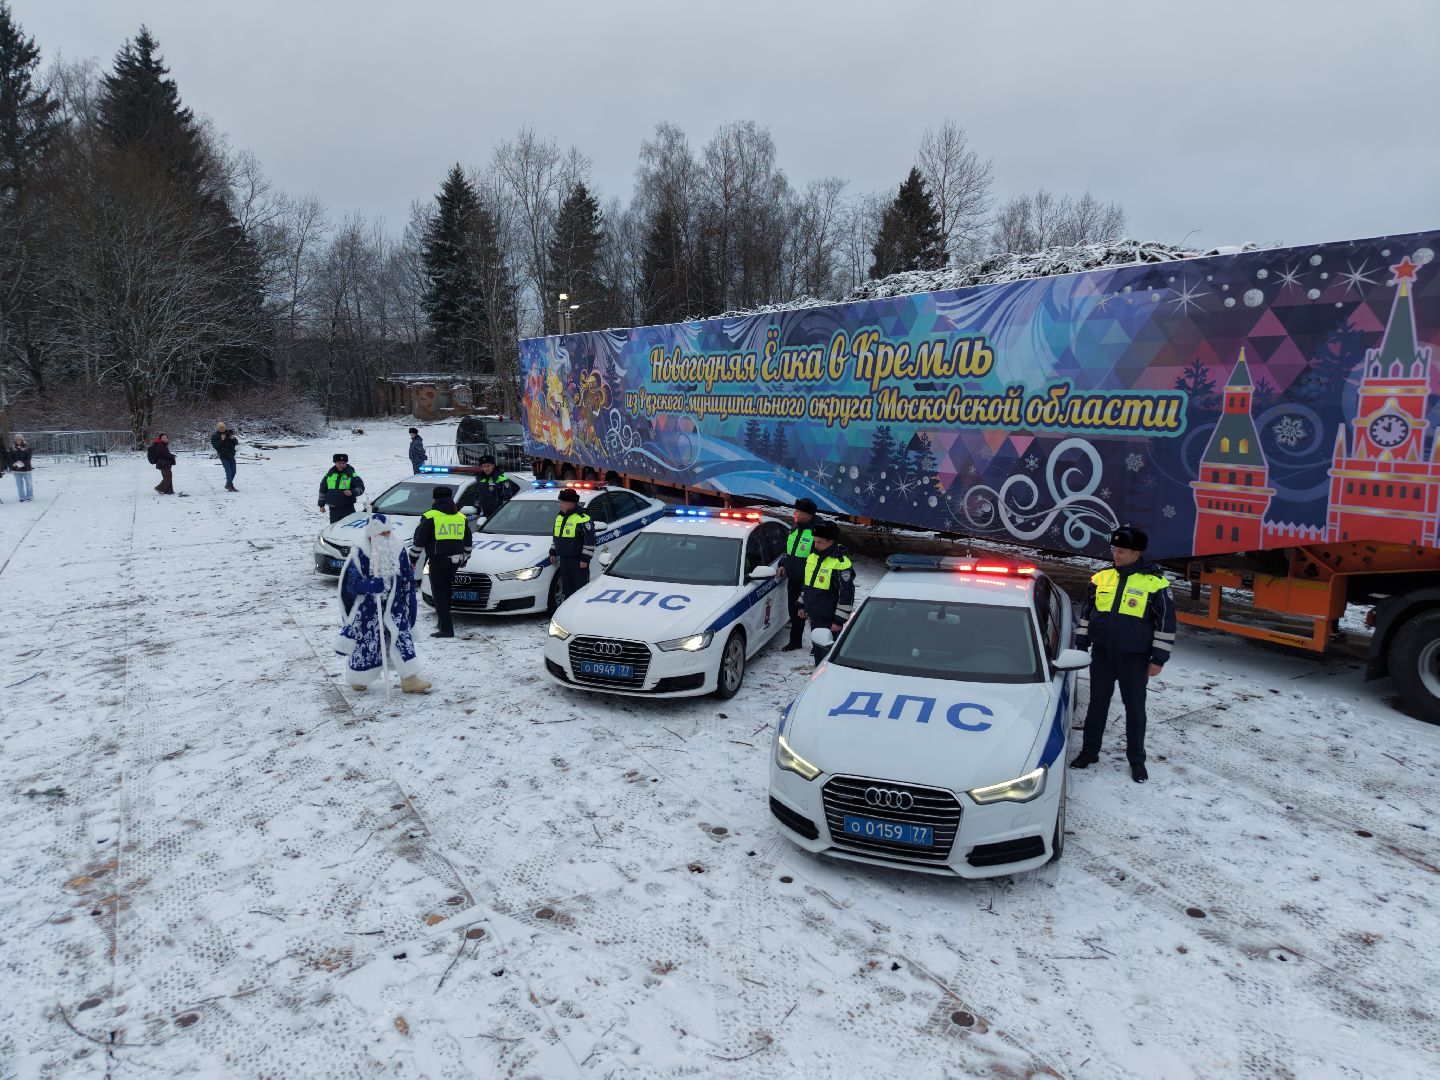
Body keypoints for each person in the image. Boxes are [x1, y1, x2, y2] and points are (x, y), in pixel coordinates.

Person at [1070, 524, 1176, 784]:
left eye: (1122, 551)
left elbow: (1166, 623)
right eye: (1115, 550)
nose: (1116, 555)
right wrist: (1082, 643)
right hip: (1103, 655)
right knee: (1097, 706)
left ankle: (1137, 760)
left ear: (1136, 554)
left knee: (1135, 710)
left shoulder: (1156, 583)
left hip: (1135, 659)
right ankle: (1089, 752)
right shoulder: (1100, 578)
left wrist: (1158, 659)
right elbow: (1087, 613)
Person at [336, 514, 430, 693]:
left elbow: (407, 578)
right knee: (366, 643)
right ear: (372, 535)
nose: (387, 536)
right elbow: (350, 583)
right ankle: (359, 677)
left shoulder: (398, 548)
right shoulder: (360, 552)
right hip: (367, 609)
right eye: (383, 533)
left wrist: (410, 603)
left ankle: (409, 680)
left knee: (402, 640)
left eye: (389, 532)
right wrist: (370, 586)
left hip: (395, 607)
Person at [408, 485, 473, 638]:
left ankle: (446, 629)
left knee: (439, 593)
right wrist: (465, 557)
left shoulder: (430, 516)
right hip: (456, 560)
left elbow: (419, 541)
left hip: (438, 560)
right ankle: (443, 622)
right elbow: (468, 540)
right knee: (447, 591)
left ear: (435, 498)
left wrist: (412, 559)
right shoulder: (460, 516)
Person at [797, 520, 855, 665]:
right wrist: (802, 604)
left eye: (820, 542)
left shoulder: (840, 563)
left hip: (829, 620)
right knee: (818, 652)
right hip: (815, 615)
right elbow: (807, 584)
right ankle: (818, 675)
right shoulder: (813, 556)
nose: (815, 545)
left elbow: (846, 594)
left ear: (831, 541)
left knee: (829, 656)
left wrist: (838, 621)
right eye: (815, 541)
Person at [776, 498, 818, 651]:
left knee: (813, 613)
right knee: (794, 612)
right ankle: (795, 641)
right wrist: (782, 564)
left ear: (807, 514)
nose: (795, 513)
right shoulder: (795, 528)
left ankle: (818, 645)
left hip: (810, 581)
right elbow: (788, 551)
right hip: (793, 579)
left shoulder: (817, 531)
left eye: (798, 511)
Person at [547, 488, 594, 602]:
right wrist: (553, 552)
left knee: (580, 590)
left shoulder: (583, 518)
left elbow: (590, 541)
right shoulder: (560, 517)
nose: (560, 505)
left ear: (571, 503)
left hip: (578, 562)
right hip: (564, 561)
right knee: (567, 590)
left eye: (562, 502)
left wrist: (585, 559)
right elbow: (556, 538)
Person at [318, 453, 365, 523]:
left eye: (343, 463)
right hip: (334, 509)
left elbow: (361, 488)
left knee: (350, 529)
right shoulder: (329, 475)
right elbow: (322, 490)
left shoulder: (351, 474)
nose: (341, 465)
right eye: (339, 463)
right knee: (335, 530)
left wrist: (352, 492)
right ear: (335, 463)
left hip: (348, 508)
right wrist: (321, 505)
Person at [471, 454, 519, 519]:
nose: (486, 468)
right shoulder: (480, 479)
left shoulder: (502, 478)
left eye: (488, 466)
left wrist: (504, 513)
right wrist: (477, 511)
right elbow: (477, 496)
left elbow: (507, 497)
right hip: (484, 514)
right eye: (484, 466)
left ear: (493, 465)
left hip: (499, 514)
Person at [211, 422, 239, 492]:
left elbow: (236, 443)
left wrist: (233, 439)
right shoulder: (214, 436)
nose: (222, 429)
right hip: (223, 455)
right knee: (228, 470)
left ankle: (228, 484)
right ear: (218, 428)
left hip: (231, 454)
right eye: (220, 428)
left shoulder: (228, 433)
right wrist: (222, 440)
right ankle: (230, 486)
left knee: (234, 470)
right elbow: (216, 446)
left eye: (223, 427)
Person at [9, 435, 33, 502]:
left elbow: (28, 458)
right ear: (15, 440)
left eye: (20, 439)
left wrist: (22, 463)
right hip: (16, 469)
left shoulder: (28, 448)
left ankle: (29, 496)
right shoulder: (12, 448)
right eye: (17, 440)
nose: (18, 441)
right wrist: (14, 463)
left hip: (26, 469)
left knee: (28, 483)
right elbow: (10, 458)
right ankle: (22, 497)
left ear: (22, 440)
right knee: (19, 484)